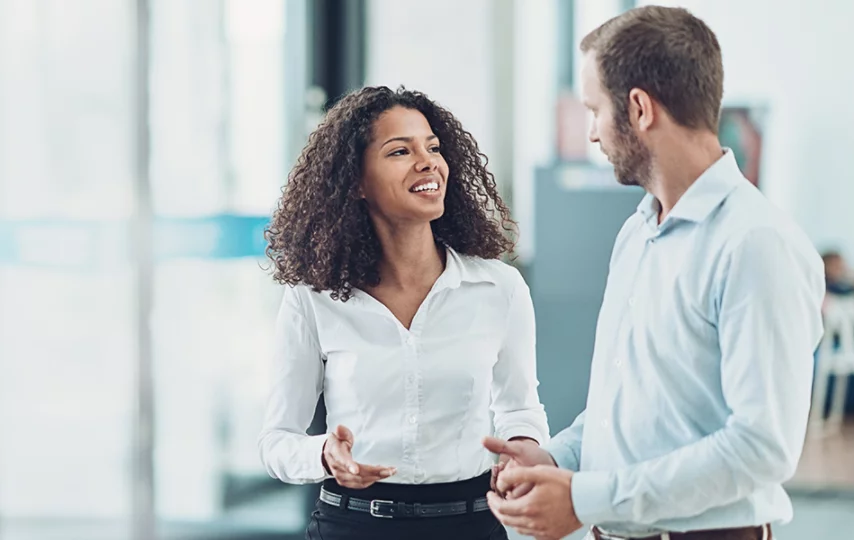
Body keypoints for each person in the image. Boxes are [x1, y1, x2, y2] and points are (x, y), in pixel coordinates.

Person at [483, 6, 825, 540]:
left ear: (639, 108)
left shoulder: (756, 245)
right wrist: (552, 457)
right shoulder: (637, 234)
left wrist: (582, 498)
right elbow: (630, 411)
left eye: (595, 110)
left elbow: (762, 448)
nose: (592, 133)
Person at [259, 86, 550, 540]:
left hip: (470, 524)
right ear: (355, 182)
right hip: (351, 525)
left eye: (433, 147)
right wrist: (323, 456)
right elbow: (276, 441)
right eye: (400, 150)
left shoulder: (498, 287)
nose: (428, 161)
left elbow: (520, 407)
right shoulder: (312, 298)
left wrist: (521, 448)